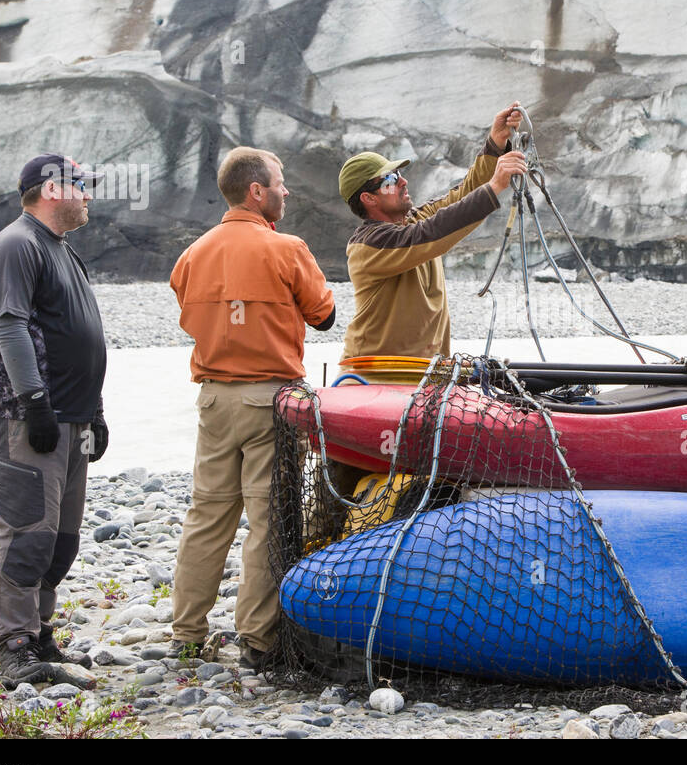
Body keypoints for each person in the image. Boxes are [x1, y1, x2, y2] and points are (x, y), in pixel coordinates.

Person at [168, 146, 336, 671]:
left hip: (215, 398)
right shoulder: (287, 248)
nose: (287, 191)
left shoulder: (193, 254)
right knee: (267, 519)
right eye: (280, 183)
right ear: (256, 191)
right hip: (271, 399)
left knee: (207, 516)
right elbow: (325, 316)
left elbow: (186, 308)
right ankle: (257, 640)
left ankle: (187, 634)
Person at [0, 153, 107, 687]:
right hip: (27, 416)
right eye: (83, 186)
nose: (90, 195)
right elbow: (9, 326)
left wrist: (95, 412)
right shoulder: (17, 244)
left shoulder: (61, 249)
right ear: (53, 189)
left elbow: (78, 334)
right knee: (29, 532)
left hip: (72, 418)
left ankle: (38, 633)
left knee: (63, 539)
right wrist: (34, 403)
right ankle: (11, 645)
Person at [338, 103, 529, 360]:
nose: (403, 181)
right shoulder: (370, 245)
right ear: (369, 199)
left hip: (423, 373)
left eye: (399, 174)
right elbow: (432, 232)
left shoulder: (412, 221)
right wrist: (494, 187)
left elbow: (462, 196)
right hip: (374, 374)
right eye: (391, 180)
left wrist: (495, 144)